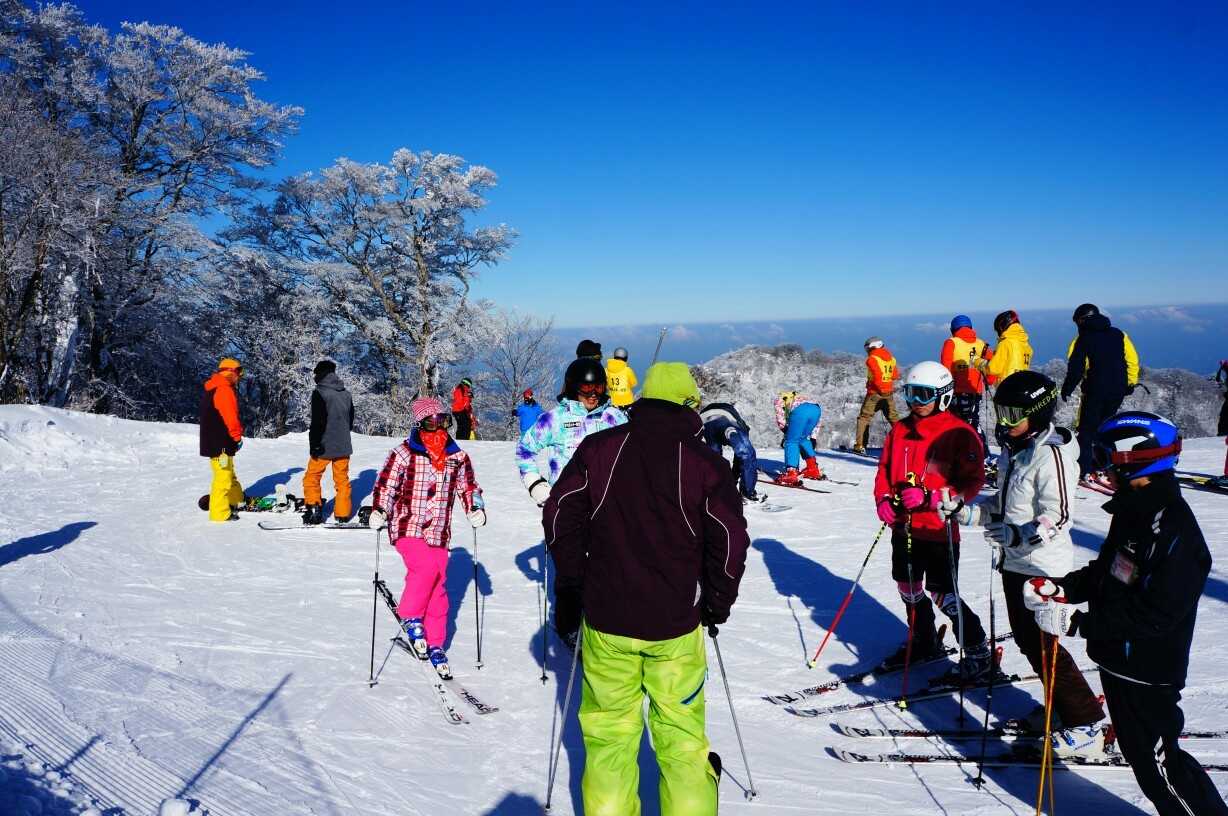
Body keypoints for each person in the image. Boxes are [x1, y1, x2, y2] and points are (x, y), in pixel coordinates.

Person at [544, 362, 749, 816]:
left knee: (610, 738)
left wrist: (573, 585)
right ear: (689, 405)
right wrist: (716, 603)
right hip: (675, 625)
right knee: (681, 737)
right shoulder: (705, 464)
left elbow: (559, 516)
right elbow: (730, 540)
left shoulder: (599, 449)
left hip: (607, 620)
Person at [1025, 411, 1228, 815]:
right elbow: (1108, 571)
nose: (1100, 468)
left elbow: (1159, 613)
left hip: (1148, 670)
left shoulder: (1173, 528)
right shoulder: (1134, 511)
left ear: (1134, 459)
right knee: (1143, 761)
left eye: (1105, 457)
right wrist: (1063, 588)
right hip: (1117, 659)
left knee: (1162, 765)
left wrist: (1079, 624)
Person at [942, 371, 1105, 748]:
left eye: (1013, 414)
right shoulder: (1014, 451)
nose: (1004, 421)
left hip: (1043, 567)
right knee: (1029, 642)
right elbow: (1002, 506)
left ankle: (1085, 721)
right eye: (1000, 412)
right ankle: (1060, 708)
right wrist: (966, 512)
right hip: (1014, 564)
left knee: (1044, 645)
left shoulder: (1051, 455)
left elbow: (1059, 515)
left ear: (1038, 413)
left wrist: (1020, 535)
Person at [874, 361, 990, 679]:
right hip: (904, 526)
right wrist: (883, 498)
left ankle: (978, 651)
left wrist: (933, 498)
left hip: (939, 529)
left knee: (943, 593)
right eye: (910, 393)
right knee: (907, 586)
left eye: (924, 394)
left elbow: (972, 481)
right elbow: (884, 470)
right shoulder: (900, 430)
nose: (915, 401)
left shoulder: (959, 433)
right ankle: (924, 640)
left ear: (943, 395)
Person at [370, 397, 486, 680]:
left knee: (438, 587)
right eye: (431, 423)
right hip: (407, 525)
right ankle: (411, 615)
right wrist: (380, 510)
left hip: (439, 532)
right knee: (424, 569)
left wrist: (475, 508)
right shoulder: (404, 454)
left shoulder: (457, 457)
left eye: (443, 421)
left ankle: (436, 643)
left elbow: (469, 487)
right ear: (419, 425)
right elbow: (386, 486)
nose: (438, 429)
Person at [516, 358, 627, 505]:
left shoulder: (614, 417)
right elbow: (525, 449)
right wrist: (535, 483)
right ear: (574, 387)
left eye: (598, 387)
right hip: (566, 503)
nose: (593, 394)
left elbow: (631, 454)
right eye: (587, 388)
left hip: (606, 503)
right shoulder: (555, 419)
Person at [1061, 303, 1141, 482]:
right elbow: (1132, 360)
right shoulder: (1119, 334)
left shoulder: (1082, 339)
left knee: (1086, 430)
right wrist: (1130, 383)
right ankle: (1107, 466)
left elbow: (1076, 368)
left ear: (1082, 320)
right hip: (1118, 390)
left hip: (1095, 390)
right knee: (1106, 428)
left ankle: (1084, 469)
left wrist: (1067, 388)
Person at [302, 360, 355, 524]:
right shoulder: (346, 393)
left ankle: (313, 509)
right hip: (343, 444)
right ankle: (343, 513)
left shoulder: (320, 392)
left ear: (320, 374)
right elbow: (350, 420)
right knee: (342, 479)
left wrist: (314, 444)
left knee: (312, 476)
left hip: (324, 444)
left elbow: (317, 422)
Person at [199, 357, 245, 522]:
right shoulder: (224, 390)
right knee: (223, 476)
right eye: (238, 373)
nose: (239, 377)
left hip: (216, 441)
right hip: (221, 443)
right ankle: (219, 513)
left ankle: (236, 500)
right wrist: (237, 437)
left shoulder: (213, 388)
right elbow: (230, 417)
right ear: (230, 372)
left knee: (228, 473)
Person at [941, 315, 994, 455]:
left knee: (955, 423)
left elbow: (945, 369)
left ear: (953, 329)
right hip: (976, 391)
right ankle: (981, 452)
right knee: (973, 421)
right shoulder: (981, 344)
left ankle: (960, 453)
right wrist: (989, 380)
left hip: (956, 391)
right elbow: (992, 365)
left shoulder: (951, 343)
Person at [701, 401, 762, 502]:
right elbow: (743, 458)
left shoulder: (737, 423)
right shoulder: (741, 428)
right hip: (724, 418)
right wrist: (734, 480)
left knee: (714, 460)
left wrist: (732, 480)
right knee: (748, 455)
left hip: (703, 419)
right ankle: (747, 493)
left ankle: (716, 491)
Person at [853, 336, 899, 454]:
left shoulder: (872, 359)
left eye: (868, 348)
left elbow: (877, 377)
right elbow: (895, 376)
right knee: (894, 419)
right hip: (889, 393)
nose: (867, 351)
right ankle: (903, 442)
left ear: (873, 347)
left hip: (874, 393)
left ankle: (860, 446)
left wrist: (878, 388)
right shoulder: (892, 359)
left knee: (864, 418)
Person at [774, 391, 824, 486]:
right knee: (802, 438)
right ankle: (813, 469)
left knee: (791, 441)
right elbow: (818, 421)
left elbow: (780, 418)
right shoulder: (801, 397)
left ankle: (791, 473)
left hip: (800, 412)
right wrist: (813, 437)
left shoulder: (779, 399)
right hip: (816, 410)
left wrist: (786, 432)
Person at [976, 310, 1033, 382]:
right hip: (1022, 384)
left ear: (1002, 327)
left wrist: (977, 361)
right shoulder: (1026, 346)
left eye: (998, 330)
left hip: (1007, 384)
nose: (998, 334)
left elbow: (993, 368)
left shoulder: (1005, 343)